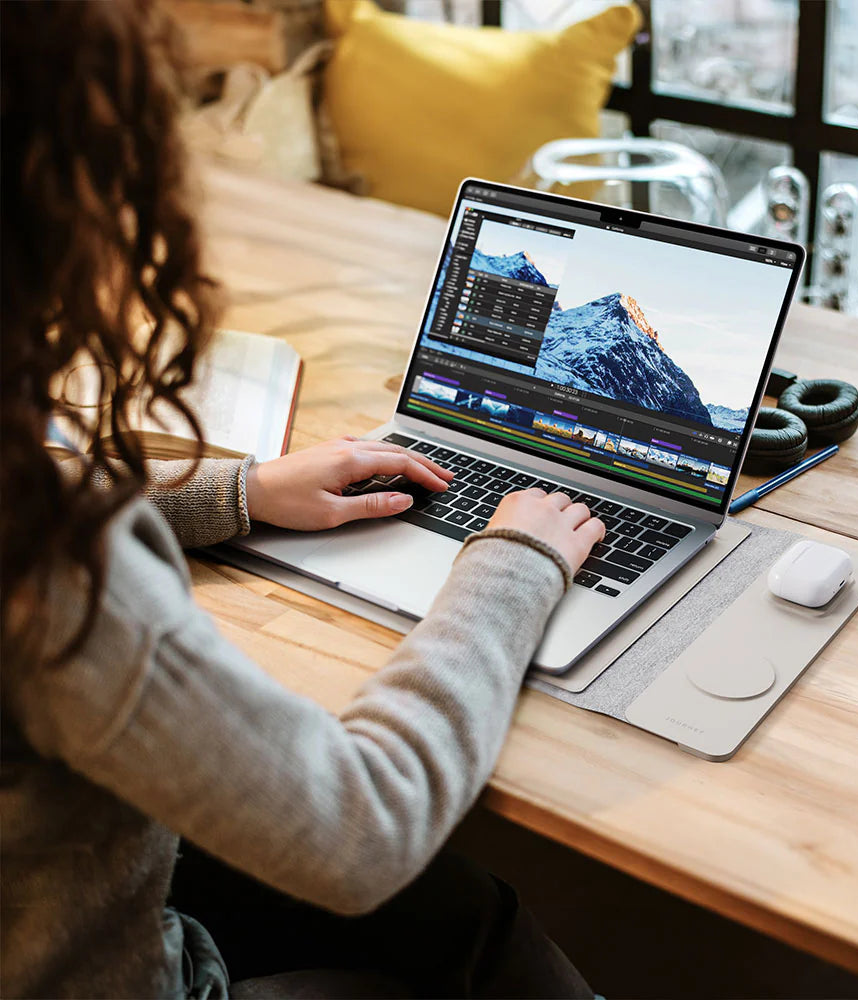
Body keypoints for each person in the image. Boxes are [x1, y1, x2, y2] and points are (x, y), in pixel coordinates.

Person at [0, 2, 605, 998]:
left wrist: (235, 493)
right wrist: (513, 566)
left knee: (451, 911)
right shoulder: (60, 568)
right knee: (475, 926)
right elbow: (362, 828)